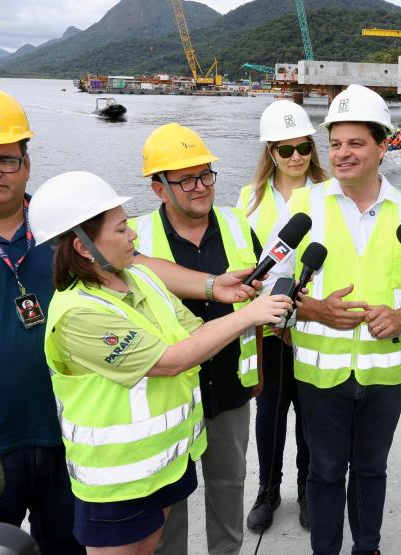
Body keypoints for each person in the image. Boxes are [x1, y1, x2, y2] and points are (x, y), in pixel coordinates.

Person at [0, 86, 259, 554]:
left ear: (26, 160)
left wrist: (211, 285)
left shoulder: (64, 224)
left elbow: (137, 261)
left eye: (6, 158)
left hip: (72, 439)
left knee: (69, 545)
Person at [28, 170, 292, 554]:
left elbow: (195, 333)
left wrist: (226, 302)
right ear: (84, 247)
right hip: (117, 479)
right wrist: (249, 314)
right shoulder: (79, 314)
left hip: (166, 462)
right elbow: (169, 361)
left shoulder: (141, 280)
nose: (133, 235)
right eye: (120, 230)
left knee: (153, 546)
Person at [268, 83, 401, 555]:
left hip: (383, 376)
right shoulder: (302, 207)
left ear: (384, 147)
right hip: (320, 375)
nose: (342, 154)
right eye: (336, 143)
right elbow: (269, 281)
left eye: (356, 143)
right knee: (323, 472)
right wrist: (310, 308)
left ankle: (368, 549)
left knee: (370, 471)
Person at [129, 123, 262, 555]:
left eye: (205, 175)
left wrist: (257, 371)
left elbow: (259, 300)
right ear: (158, 188)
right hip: (168, 396)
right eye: (185, 179)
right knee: (169, 501)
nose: (200, 187)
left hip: (229, 390)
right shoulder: (134, 237)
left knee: (229, 485)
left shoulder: (238, 224)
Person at [237, 100, 327, 533]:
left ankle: (308, 488)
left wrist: (307, 309)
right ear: (269, 153)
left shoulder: (331, 193)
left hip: (312, 324)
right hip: (267, 329)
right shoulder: (247, 203)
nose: (295, 158)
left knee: (311, 412)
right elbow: (243, 265)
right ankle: (268, 489)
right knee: (270, 412)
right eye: (284, 150)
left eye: (303, 148)